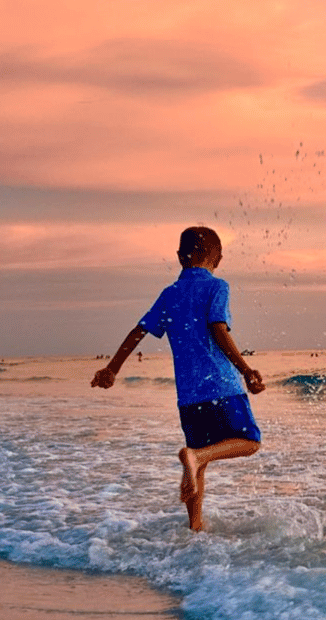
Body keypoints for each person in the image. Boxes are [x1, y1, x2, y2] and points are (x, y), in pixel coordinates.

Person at [91, 226, 265, 531]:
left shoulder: (170, 293)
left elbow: (138, 331)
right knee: (249, 442)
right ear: (218, 258)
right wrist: (246, 370)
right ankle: (195, 458)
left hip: (188, 396)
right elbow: (218, 329)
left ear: (179, 257)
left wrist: (112, 369)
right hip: (221, 385)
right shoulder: (217, 287)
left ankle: (194, 526)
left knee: (199, 465)